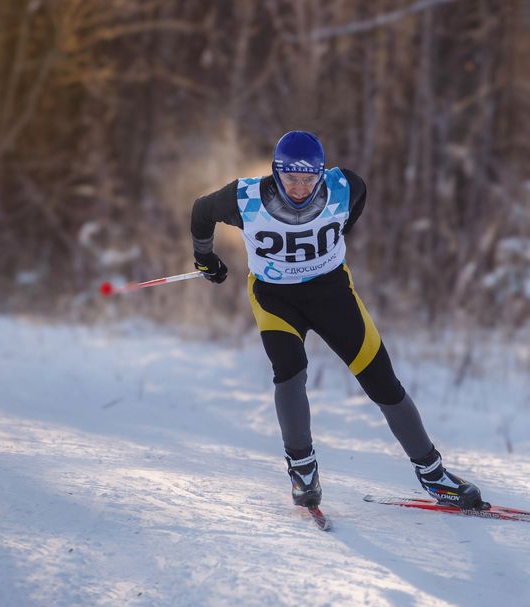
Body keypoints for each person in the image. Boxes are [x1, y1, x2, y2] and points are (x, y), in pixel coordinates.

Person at [190, 130, 482, 510]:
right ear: (275, 172)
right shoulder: (245, 197)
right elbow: (202, 211)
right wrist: (206, 259)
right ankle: (302, 471)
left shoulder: (344, 186)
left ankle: (433, 474)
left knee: (382, 381)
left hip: (332, 295)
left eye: (308, 179)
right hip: (275, 299)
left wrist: (335, 236)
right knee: (289, 370)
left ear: (321, 173)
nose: (299, 188)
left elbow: (358, 199)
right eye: (290, 178)